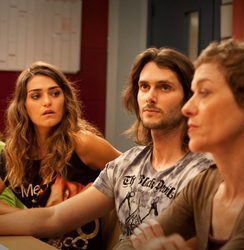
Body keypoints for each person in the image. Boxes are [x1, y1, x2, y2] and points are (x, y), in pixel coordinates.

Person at [0, 48, 213, 246]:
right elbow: (53, 218)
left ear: (189, 98)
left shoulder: (204, 173)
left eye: (164, 87)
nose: (150, 97)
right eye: (144, 87)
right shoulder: (126, 163)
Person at [117, 39, 244, 250]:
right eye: (193, 93)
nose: (187, 108)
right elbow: (129, 245)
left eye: (204, 92)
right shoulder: (204, 185)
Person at [0, 61, 121, 250]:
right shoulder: (13, 153)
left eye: (55, 93)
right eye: (36, 96)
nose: (47, 102)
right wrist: (25, 215)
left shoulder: (82, 143)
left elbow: (137, 171)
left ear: (65, 99)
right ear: (23, 106)